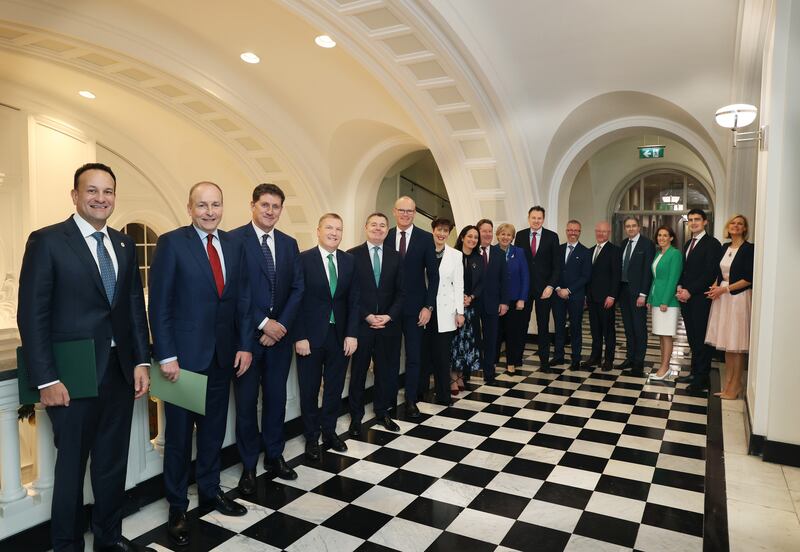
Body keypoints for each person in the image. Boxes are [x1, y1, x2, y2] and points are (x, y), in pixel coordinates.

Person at [17, 163, 153, 552]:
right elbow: (32, 313)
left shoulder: (124, 245)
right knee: (72, 469)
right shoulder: (47, 241)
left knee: (112, 465)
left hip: (119, 373)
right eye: (91, 191)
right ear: (75, 196)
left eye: (107, 191)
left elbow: (132, 308)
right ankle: (67, 545)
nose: (100, 198)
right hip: (71, 377)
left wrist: (141, 361)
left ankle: (108, 538)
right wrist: (46, 378)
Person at [149, 181, 253, 546]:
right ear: (189, 207)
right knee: (177, 439)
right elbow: (159, 305)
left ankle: (210, 491)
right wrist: (167, 355)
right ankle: (177, 507)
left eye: (216, 205)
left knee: (212, 433)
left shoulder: (235, 243)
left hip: (223, 358)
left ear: (223, 207)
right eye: (202, 205)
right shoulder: (172, 243)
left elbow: (241, 300)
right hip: (183, 363)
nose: (210, 211)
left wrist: (244, 345)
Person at [230, 183, 304, 493]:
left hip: (280, 341)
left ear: (281, 210)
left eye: (275, 206)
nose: (270, 211)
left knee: (276, 401)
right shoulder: (234, 240)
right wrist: (264, 323)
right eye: (265, 205)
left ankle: (275, 456)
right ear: (253, 205)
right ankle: (248, 465)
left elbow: (298, 288)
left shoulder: (289, 243)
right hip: (246, 340)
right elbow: (233, 291)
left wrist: (280, 326)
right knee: (246, 405)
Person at [293, 213, 359, 461]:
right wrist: (299, 336)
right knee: (309, 390)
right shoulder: (303, 259)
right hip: (309, 338)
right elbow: (296, 300)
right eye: (329, 228)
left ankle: (329, 432)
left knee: (334, 387)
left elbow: (354, 300)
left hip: (340, 336)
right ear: (318, 231)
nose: (334, 232)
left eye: (338, 229)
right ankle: (311, 437)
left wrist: (352, 333)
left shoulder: (349, 261)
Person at [347, 212, 404, 436]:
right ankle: (356, 417)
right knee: (359, 372)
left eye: (382, 225)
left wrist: (389, 316)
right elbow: (350, 294)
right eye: (374, 225)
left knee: (386, 371)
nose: (378, 228)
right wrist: (367, 316)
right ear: (366, 227)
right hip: (363, 325)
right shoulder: (351, 255)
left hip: (388, 325)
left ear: (387, 229)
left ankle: (382, 412)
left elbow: (402, 292)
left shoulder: (396, 257)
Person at [386, 197, 439, 418]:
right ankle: (387, 398)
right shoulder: (385, 235)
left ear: (415, 213)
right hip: (388, 309)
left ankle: (410, 399)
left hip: (416, 309)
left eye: (410, 211)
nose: (406, 214)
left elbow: (433, 276)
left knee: (414, 356)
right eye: (402, 210)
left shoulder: (426, 238)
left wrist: (428, 307)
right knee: (389, 355)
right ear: (394, 211)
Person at [705, 215, 754, 399]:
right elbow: (720, 273)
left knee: (736, 344)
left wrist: (724, 289)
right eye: (733, 223)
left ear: (744, 228)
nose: (736, 226)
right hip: (723, 297)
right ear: (728, 226)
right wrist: (714, 286)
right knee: (727, 344)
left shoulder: (749, 249)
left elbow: (748, 279)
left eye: (740, 224)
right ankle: (729, 385)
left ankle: (736, 386)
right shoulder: (725, 247)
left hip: (737, 298)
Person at [675, 208, 722, 392]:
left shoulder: (712, 244)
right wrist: (679, 286)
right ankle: (695, 372)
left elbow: (709, 273)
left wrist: (690, 291)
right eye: (690, 220)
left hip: (701, 299)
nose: (693, 222)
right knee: (693, 338)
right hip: (687, 298)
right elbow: (685, 270)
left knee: (702, 339)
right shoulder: (688, 244)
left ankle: (703, 379)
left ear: (705, 222)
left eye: (697, 219)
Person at [514, 206, 561, 369]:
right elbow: (516, 263)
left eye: (539, 218)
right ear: (529, 218)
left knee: (543, 325)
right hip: (524, 289)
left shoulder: (552, 237)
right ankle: (517, 358)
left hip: (544, 290)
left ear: (543, 219)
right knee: (521, 324)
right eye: (533, 218)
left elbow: (557, 266)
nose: (536, 221)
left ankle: (544, 361)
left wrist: (550, 286)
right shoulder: (519, 236)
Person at [425, 218, 464, 404]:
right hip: (424, 310)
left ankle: (443, 395)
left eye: (445, 231)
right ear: (433, 230)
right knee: (423, 354)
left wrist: (460, 312)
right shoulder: (423, 250)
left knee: (442, 356)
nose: (441, 234)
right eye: (439, 230)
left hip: (446, 312)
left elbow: (459, 285)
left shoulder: (455, 255)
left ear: (449, 234)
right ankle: (421, 392)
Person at [617, 217, 655, 376]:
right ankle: (630, 357)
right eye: (628, 226)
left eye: (633, 226)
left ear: (639, 227)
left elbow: (648, 271)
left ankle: (639, 361)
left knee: (639, 328)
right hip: (623, 291)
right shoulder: (624, 243)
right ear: (625, 228)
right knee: (628, 327)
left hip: (638, 293)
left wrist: (643, 294)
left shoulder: (647, 244)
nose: (631, 229)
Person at [551, 220, 591, 369]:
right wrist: (558, 289)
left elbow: (585, 276)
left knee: (575, 327)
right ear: (566, 231)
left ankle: (575, 358)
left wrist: (568, 290)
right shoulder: (558, 250)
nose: (573, 233)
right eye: (570, 230)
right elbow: (553, 271)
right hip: (557, 294)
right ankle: (558, 356)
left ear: (579, 232)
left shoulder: (586, 252)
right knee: (559, 326)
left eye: (576, 230)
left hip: (576, 296)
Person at [582, 221, 620, 371]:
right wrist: (586, 296)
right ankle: (595, 357)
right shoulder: (590, 251)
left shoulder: (614, 250)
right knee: (595, 330)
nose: (600, 234)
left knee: (608, 331)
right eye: (598, 231)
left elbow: (616, 276)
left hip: (606, 299)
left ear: (609, 232)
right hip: (591, 298)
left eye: (604, 231)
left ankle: (608, 360)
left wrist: (612, 296)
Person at [475, 219, 509, 383]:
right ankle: (469, 371)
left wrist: (504, 302)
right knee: (472, 338)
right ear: (478, 232)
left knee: (491, 339)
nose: (488, 234)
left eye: (490, 231)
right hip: (472, 303)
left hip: (493, 303)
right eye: (484, 231)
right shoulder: (470, 251)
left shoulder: (499, 253)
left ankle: (489, 372)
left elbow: (504, 280)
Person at [647, 226, 683, 381]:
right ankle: (663, 366)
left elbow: (673, 279)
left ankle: (665, 367)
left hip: (668, 302)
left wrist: (665, 301)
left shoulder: (675, 254)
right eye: (659, 235)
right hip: (657, 299)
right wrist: (650, 299)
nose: (661, 238)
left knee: (667, 335)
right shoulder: (658, 253)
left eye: (665, 235)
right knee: (661, 335)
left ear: (671, 238)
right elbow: (655, 279)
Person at [452, 225, 483, 392]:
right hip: (453, 308)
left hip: (470, 307)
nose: (473, 239)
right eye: (469, 236)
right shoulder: (452, 255)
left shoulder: (479, 258)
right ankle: (452, 377)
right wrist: (458, 299)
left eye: (475, 237)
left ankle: (461, 375)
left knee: (467, 343)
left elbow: (482, 283)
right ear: (462, 237)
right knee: (454, 342)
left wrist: (470, 297)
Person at [496, 223, 529, 374]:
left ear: (513, 237)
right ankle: (493, 361)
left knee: (512, 333)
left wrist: (522, 298)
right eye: (503, 234)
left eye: (509, 235)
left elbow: (525, 276)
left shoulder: (519, 252)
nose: (505, 237)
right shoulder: (492, 251)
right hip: (496, 299)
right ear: (498, 235)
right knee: (496, 332)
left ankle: (511, 362)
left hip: (515, 299)